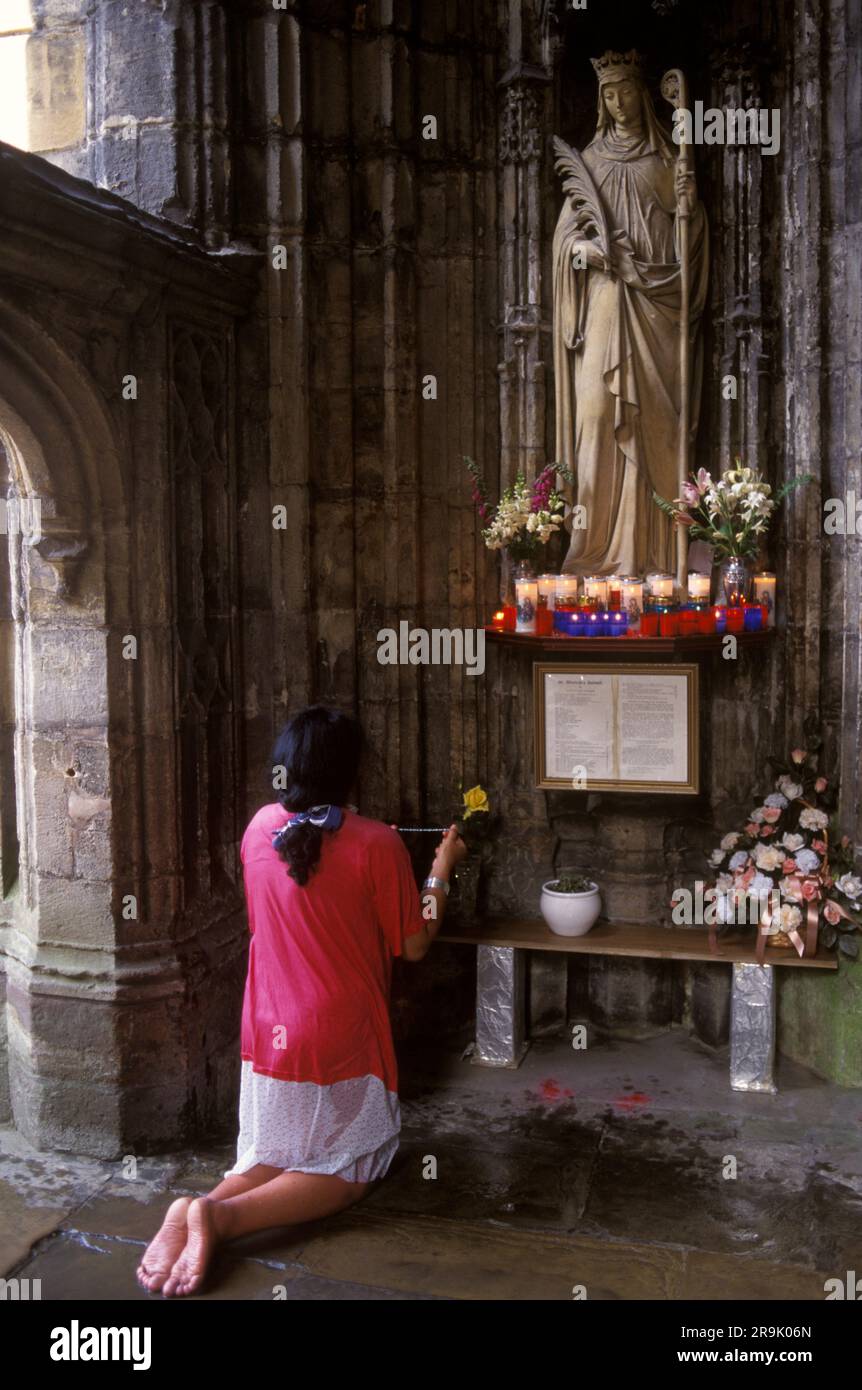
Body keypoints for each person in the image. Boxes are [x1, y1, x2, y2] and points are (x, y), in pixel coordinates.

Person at [136, 704, 466, 1296]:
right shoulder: (378, 843)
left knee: (279, 1151)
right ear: (350, 773)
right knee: (353, 1166)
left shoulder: (258, 828)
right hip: (339, 1030)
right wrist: (441, 871)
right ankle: (222, 1218)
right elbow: (414, 944)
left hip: (267, 1026)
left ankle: (198, 1205)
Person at [552, 49, 708, 576]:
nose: (618, 102)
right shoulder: (590, 164)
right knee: (596, 414)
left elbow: (689, 252)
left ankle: (660, 560)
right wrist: (586, 253)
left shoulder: (669, 162)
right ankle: (593, 552)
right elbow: (564, 244)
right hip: (603, 299)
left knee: (656, 425)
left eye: (625, 90)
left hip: (656, 307)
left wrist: (692, 210)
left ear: (643, 94)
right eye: (608, 93)